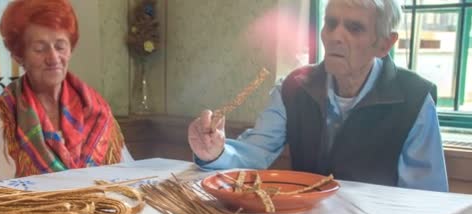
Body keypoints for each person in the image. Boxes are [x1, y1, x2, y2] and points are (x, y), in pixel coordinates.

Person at [188, 0, 449, 192]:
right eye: (331, 23)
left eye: (355, 28)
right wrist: (215, 152)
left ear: (384, 44)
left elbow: (427, 201)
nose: (336, 36)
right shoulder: (293, 87)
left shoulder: (414, 100)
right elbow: (256, 152)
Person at [0, 0, 132, 182]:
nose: (53, 58)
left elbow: (124, 176)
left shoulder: (97, 110)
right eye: (40, 49)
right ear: (19, 56)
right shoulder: (1, 115)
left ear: (70, 49)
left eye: (60, 46)